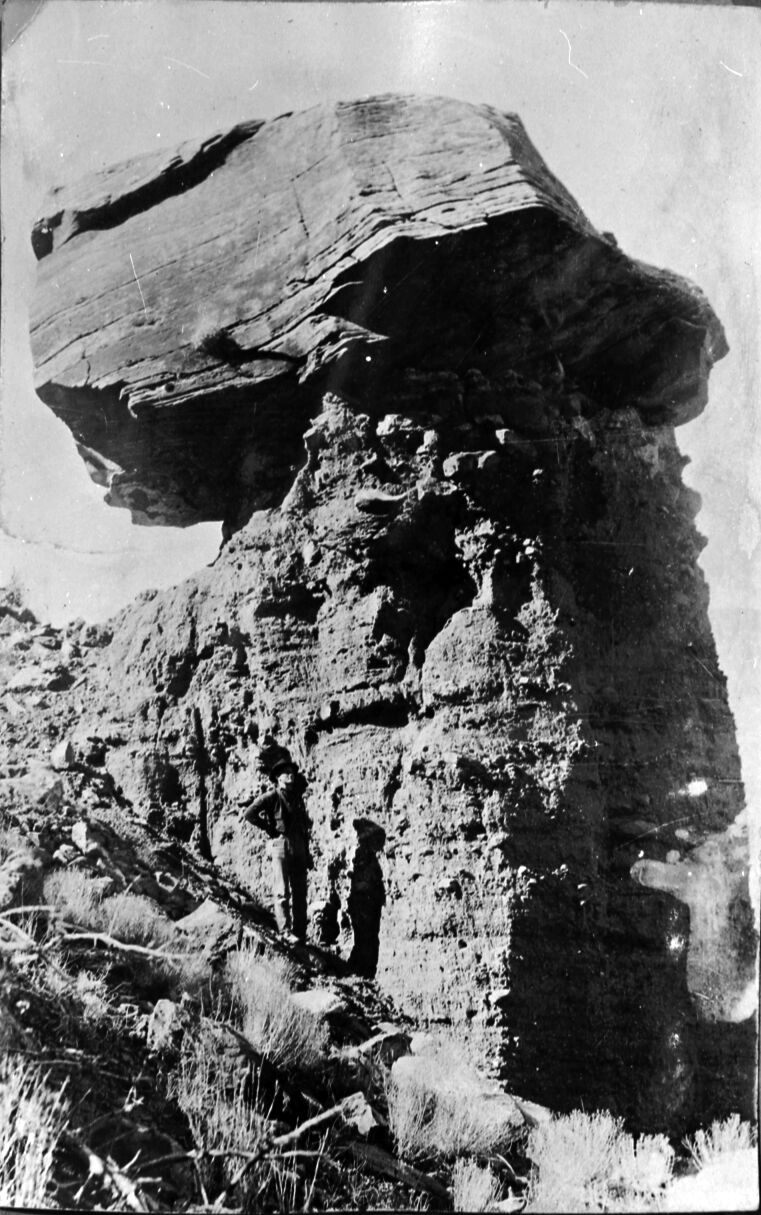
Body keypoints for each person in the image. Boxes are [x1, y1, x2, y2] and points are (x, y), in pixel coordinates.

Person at [242, 760, 312, 940]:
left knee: (300, 892)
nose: (290, 775)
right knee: (282, 890)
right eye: (286, 772)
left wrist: (307, 851)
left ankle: (300, 933)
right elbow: (249, 813)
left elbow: (304, 827)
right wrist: (268, 828)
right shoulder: (272, 796)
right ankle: (285, 931)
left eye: (291, 772)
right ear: (278, 778)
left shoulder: (297, 799)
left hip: (298, 845)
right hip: (280, 844)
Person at [348, 817, 386, 978]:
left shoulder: (365, 855)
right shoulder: (361, 855)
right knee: (366, 938)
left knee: (366, 937)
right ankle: (362, 972)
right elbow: (362, 882)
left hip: (367, 902)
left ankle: (361, 971)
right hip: (363, 902)